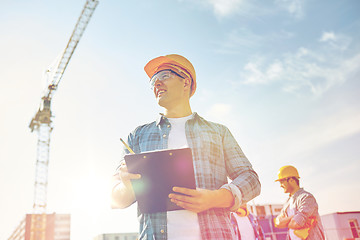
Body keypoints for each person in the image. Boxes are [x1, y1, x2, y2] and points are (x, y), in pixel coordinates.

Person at [111, 54, 261, 240]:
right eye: (153, 81)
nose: (156, 84)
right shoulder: (137, 137)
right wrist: (127, 186)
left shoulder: (218, 132)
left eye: (164, 76)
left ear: (186, 82)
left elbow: (251, 180)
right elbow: (115, 199)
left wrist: (215, 198)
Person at [274, 165, 325, 240]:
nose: (281, 185)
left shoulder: (306, 198)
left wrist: (286, 221)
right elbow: (278, 223)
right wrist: (294, 217)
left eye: (282, 181)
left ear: (291, 180)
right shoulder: (287, 203)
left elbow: (295, 223)